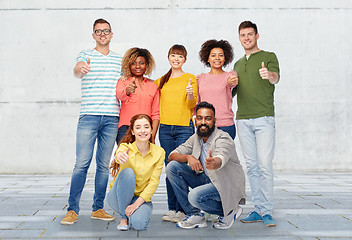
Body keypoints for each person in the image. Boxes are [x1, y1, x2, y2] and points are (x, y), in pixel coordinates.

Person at [61, 18, 122, 225]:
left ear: (112, 34)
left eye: (106, 31)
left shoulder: (119, 60)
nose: (103, 34)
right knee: (81, 164)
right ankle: (72, 210)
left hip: (112, 117)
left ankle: (98, 208)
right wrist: (80, 69)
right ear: (94, 35)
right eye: (98, 31)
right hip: (89, 115)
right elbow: (77, 70)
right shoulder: (85, 55)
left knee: (103, 166)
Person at [166, 101, 246, 229]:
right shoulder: (195, 138)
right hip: (207, 179)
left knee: (194, 196)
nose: (203, 122)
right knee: (172, 167)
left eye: (208, 118)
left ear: (214, 120)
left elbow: (222, 155)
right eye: (200, 118)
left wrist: (214, 162)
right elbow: (172, 156)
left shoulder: (223, 138)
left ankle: (230, 211)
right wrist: (188, 157)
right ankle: (195, 215)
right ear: (195, 120)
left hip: (224, 183)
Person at [232, 20, 280, 227]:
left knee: (264, 166)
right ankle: (258, 209)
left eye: (250, 34)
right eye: (243, 35)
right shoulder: (237, 64)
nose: (246, 38)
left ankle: (267, 211)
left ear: (257, 36)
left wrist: (269, 75)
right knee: (251, 167)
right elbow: (230, 92)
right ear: (239, 37)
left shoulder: (268, 57)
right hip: (243, 120)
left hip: (264, 118)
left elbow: (276, 77)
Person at [154, 44, 198, 223]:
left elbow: (192, 105)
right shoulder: (161, 80)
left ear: (185, 60)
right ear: (168, 58)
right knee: (169, 168)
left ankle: (183, 208)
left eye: (180, 56)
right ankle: (173, 208)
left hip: (184, 128)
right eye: (173, 55)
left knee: (180, 168)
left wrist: (189, 95)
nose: (176, 59)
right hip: (165, 129)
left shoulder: (190, 78)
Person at [107, 114, 165, 231]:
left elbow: (154, 182)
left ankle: (136, 211)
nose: (142, 131)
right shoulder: (125, 147)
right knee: (128, 173)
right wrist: (119, 156)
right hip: (118, 196)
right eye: (138, 127)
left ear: (151, 130)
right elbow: (119, 154)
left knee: (139, 225)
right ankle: (124, 218)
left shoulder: (159, 152)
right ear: (132, 131)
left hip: (139, 197)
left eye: (146, 127)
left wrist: (136, 204)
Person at [116, 47, 159, 144]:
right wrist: (128, 90)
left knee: (143, 159)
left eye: (142, 63)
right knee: (125, 158)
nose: (138, 66)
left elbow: (155, 114)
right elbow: (120, 95)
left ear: (147, 65)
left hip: (145, 130)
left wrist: (152, 136)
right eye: (133, 63)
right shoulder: (123, 81)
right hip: (125, 129)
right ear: (128, 65)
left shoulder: (154, 86)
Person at [198, 39, 238, 139]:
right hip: (205, 125)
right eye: (213, 55)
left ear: (225, 58)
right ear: (207, 58)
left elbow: (230, 81)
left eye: (221, 55)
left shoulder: (229, 75)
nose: (217, 58)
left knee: (223, 155)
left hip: (226, 126)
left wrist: (232, 80)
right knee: (206, 155)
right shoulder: (200, 78)